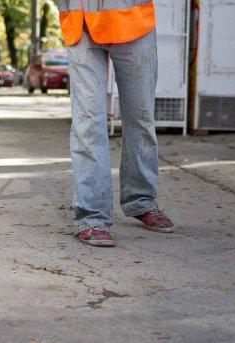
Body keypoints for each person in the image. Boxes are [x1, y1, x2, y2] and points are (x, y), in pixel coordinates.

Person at [58, 0, 174, 247]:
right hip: (81, 24)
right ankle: (91, 216)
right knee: (88, 121)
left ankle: (141, 199)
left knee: (140, 117)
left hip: (133, 21)